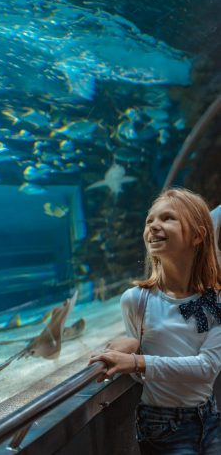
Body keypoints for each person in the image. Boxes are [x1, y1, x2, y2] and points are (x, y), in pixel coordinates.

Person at [89, 187, 221, 455]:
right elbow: (144, 378)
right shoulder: (135, 300)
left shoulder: (215, 301)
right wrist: (131, 346)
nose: (154, 226)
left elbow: (208, 367)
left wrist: (137, 360)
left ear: (198, 235)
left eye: (167, 218)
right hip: (160, 425)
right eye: (150, 220)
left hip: (210, 416)